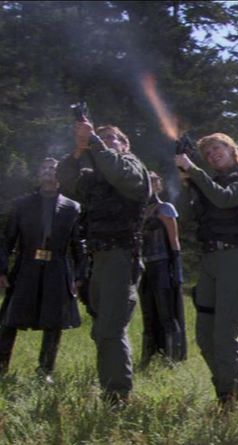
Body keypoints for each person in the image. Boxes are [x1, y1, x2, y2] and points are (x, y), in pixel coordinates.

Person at [57, 122, 151, 404]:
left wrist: (95, 144)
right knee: (102, 329)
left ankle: (117, 398)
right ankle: (114, 389)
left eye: (112, 138)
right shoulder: (95, 177)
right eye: (101, 137)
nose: (105, 141)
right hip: (98, 259)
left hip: (121, 256)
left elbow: (118, 173)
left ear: (125, 145)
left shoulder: (132, 167)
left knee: (110, 329)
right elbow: (66, 179)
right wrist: (78, 150)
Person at [175, 133, 238, 410]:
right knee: (204, 335)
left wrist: (194, 171)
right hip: (210, 258)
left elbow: (225, 199)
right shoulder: (207, 183)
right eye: (207, 153)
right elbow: (185, 215)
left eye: (217, 148)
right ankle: (225, 390)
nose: (213, 154)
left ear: (232, 148)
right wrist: (186, 180)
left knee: (224, 333)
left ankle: (229, 400)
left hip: (236, 258)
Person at [0, 158, 85, 383]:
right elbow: (7, 240)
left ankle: (45, 371)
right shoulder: (22, 205)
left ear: (61, 177)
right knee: (10, 319)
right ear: (38, 174)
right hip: (25, 266)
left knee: (54, 320)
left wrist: (80, 275)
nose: (49, 171)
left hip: (57, 267)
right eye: (45, 168)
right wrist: (2, 270)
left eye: (54, 169)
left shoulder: (72, 208)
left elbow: (78, 245)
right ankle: (1, 367)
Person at [139, 171, 186, 365]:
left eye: (152, 182)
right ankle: (149, 357)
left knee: (167, 313)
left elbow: (174, 241)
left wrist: (176, 269)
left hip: (162, 265)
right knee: (148, 313)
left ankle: (172, 357)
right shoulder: (139, 211)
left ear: (158, 185)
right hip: (144, 267)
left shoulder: (165, 208)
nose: (148, 186)